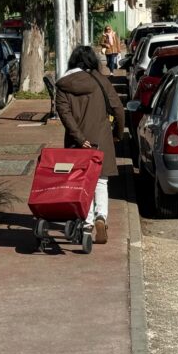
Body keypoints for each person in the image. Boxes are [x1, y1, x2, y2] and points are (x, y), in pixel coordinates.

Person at [55, 46, 125, 244]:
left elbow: (65, 114)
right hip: (101, 139)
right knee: (101, 180)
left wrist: (78, 137)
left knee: (81, 181)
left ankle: (87, 222)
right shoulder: (100, 81)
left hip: (76, 143)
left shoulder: (63, 84)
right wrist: (117, 134)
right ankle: (101, 216)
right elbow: (118, 109)